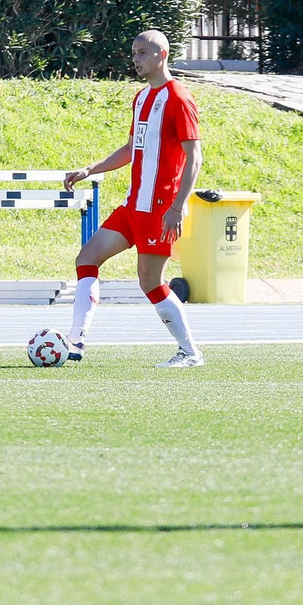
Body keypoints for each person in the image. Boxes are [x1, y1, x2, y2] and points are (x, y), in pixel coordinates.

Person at [63, 30, 205, 368]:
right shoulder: (141, 98)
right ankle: (76, 340)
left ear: (162, 55)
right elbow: (131, 149)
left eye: (142, 53)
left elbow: (194, 157)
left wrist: (175, 207)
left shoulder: (178, 98)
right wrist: (89, 169)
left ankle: (190, 352)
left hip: (159, 208)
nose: (136, 59)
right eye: (134, 53)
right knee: (87, 257)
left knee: (150, 282)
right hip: (133, 205)